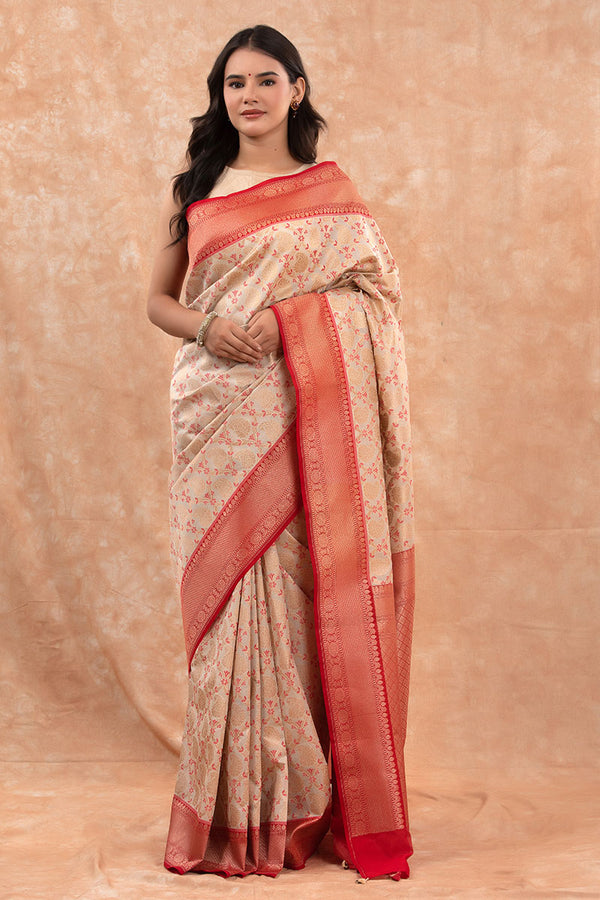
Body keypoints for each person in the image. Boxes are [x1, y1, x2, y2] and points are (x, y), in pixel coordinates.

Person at [147, 24, 415, 882]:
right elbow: (158, 303)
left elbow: (374, 298)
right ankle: (232, 808)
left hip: (303, 411)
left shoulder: (331, 193)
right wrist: (212, 326)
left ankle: (299, 800)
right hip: (213, 411)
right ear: (220, 95)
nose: (249, 95)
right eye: (234, 83)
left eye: (266, 80)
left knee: (301, 601)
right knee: (230, 605)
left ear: (297, 90)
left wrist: (291, 322)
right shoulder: (198, 186)